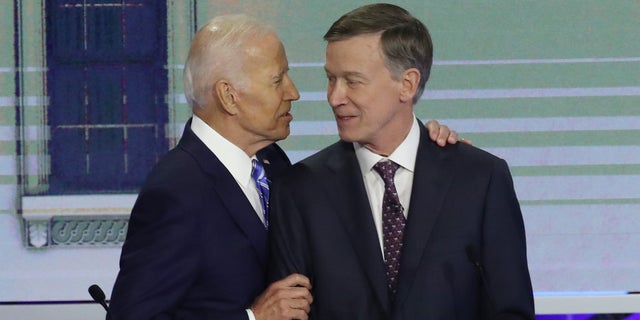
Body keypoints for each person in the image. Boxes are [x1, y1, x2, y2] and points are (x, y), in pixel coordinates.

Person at [108, 14, 460, 320]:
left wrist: (425, 152)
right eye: (278, 80)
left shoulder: (272, 163)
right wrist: (251, 317)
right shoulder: (176, 191)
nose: (293, 92)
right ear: (229, 96)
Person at [267, 3, 535, 320]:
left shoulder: (480, 179)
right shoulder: (300, 190)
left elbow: (510, 310)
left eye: (353, 81)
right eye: (331, 79)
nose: (335, 97)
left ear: (407, 84)